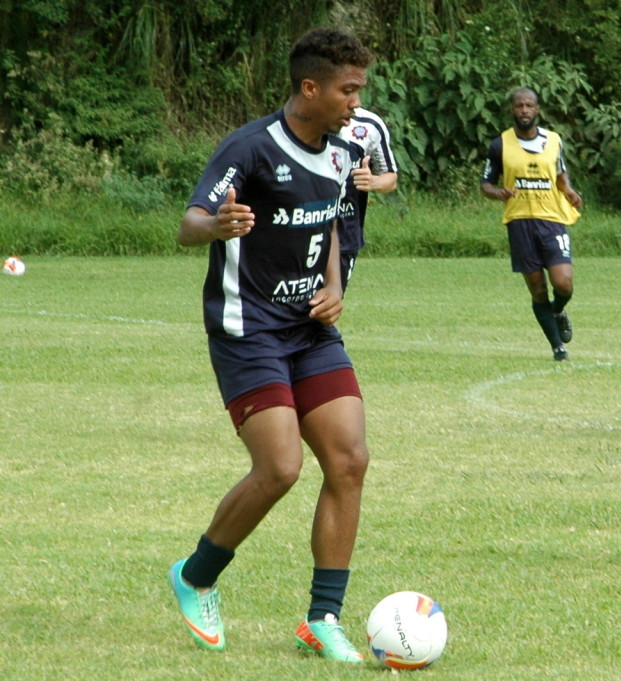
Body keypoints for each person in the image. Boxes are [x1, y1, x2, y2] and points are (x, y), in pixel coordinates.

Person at [168, 28, 374, 662]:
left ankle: (322, 618)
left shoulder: (341, 154)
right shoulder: (251, 149)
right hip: (247, 329)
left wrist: (334, 286)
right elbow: (188, 224)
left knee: (349, 460)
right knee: (281, 467)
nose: (356, 102)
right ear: (309, 88)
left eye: (360, 89)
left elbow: (333, 224)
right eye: (348, 90)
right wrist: (218, 224)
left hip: (311, 330)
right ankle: (196, 575)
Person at [481, 87, 584, 361]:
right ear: (512, 110)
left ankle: (559, 310)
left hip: (551, 219)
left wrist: (570, 192)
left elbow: (561, 176)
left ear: (537, 110)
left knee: (563, 283)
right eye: (519, 106)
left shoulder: (553, 141)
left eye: (529, 105)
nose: (524, 110)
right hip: (520, 223)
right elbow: (485, 185)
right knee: (538, 288)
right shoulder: (500, 145)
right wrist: (497, 192)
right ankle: (557, 348)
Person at [338, 107, 398, 290]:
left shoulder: (369, 124)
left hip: (345, 233)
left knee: (328, 305)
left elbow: (390, 178)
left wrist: (373, 182)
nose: (355, 99)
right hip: (301, 230)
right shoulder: (300, 119)